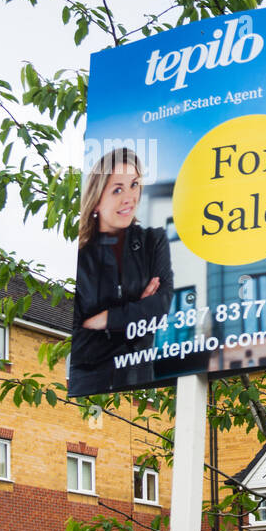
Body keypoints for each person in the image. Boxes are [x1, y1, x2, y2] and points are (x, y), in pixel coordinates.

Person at [69, 148, 173, 396]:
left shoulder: (153, 241)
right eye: (118, 189)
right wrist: (136, 314)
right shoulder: (82, 258)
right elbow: (79, 344)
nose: (130, 197)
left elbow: (162, 304)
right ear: (96, 200)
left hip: (139, 383)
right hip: (91, 387)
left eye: (134, 185)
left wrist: (104, 320)